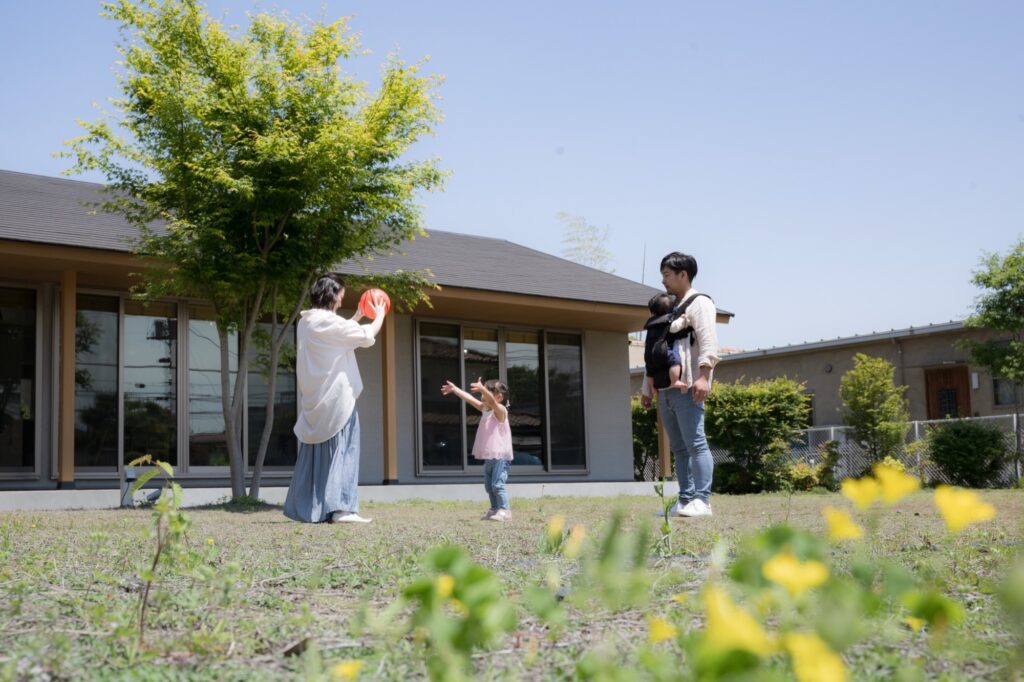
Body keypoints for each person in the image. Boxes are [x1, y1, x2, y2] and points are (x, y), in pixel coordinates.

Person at [284, 274, 387, 524]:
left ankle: (315, 507)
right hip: (336, 397)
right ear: (332, 295)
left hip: (317, 398)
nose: (342, 301)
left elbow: (338, 339)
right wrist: (380, 314)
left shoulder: (308, 322)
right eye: (340, 296)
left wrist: (356, 318)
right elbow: (364, 337)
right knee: (345, 450)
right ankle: (342, 509)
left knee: (319, 454)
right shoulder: (327, 323)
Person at [641, 252, 720, 517]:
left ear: (682, 274)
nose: (663, 281)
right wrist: (647, 389)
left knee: (696, 443)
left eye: (667, 275)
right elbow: (655, 351)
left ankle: (703, 500)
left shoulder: (700, 303)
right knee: (679, 448)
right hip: (665, 390)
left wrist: (703, 376)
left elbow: (708, 342)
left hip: (688, 386)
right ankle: (686, 500)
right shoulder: (669, 308)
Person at [440, 377, 514, 521]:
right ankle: (494, 509)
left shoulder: (500, 411)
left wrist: (482, 389)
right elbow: (469, 399)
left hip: (501, 457)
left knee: (497, 485)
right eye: (482, 392)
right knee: (489, 486)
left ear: (499, 396)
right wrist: (455, 390)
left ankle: (505, 510)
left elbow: (492, 402)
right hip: (490, 457)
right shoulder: (485, 409)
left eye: (487, 391)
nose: (482, 395)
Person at [643, 292, 689, 395]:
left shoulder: (650, 324)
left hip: (649, 353)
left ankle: (652, 387)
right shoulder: (669, 320)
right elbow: (674, 328)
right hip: (664, 349)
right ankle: (675, 380)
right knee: (675, 360)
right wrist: (683, 319)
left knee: (649, 371)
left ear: (652, 313)